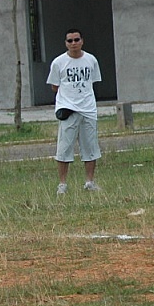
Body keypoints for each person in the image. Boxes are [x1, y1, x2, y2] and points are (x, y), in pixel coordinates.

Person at [47, 28, 103, 195]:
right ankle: (62, 184)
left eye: (76, 40)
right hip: (68, 109)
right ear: (66, 43)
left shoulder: (91, 60)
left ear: (82, 41)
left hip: (88, 109)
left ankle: (90, 182)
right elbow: (55, 86)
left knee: (90, 147)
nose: (73, 43)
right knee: (64, 148)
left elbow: (93, 81)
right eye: (70, 41)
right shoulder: (58, 62)